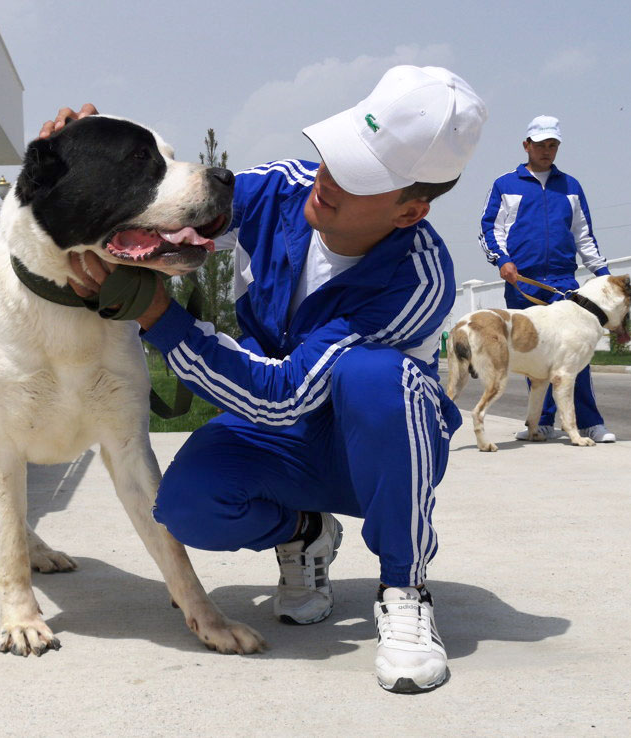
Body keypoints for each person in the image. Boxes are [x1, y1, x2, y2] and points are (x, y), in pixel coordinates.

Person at [45, 66, 486, 693]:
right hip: (275, 438)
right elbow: (173, 200)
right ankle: (306, 533)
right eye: (336, 156)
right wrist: (84, 159)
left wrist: (158, 317)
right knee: (188, 507)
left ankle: (404, 589)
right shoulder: (284, 191)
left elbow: (283, 394)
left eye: (357, 178)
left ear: (410, 210)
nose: (328, 180)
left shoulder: (418, 278)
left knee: (375, 377)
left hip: (371, 455)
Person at [478, 115, 617, 443]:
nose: (546, 150)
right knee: (532, 356)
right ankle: (540, 423)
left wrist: (604, 276)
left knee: (576, 355)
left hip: (564, 284)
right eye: (540, 144)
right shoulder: (505, 185)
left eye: (552, 145)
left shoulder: (570, 187)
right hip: (522, 282)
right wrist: (503, 261)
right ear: (527, 145)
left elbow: (584, 236)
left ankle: (589, 423)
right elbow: (489, 228)